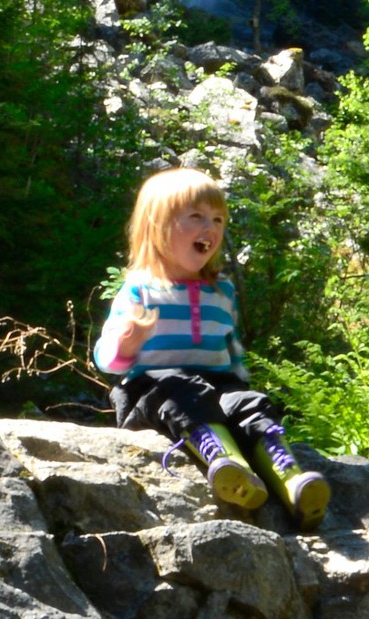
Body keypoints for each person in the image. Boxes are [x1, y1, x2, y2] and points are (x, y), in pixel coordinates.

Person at [92, 165, 329, 526]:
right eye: (196, 217)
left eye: (218, 220)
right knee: (182, 391)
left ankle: (293, 482)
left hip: (217, 388)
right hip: (155, 393)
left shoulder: (222, 292)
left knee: (251, 404)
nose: (211, 228)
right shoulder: (141, 289)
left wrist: (241, 387)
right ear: (158, 227)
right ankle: (226, 464)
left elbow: (232, 353)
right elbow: (106, 361)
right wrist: (127, 343)